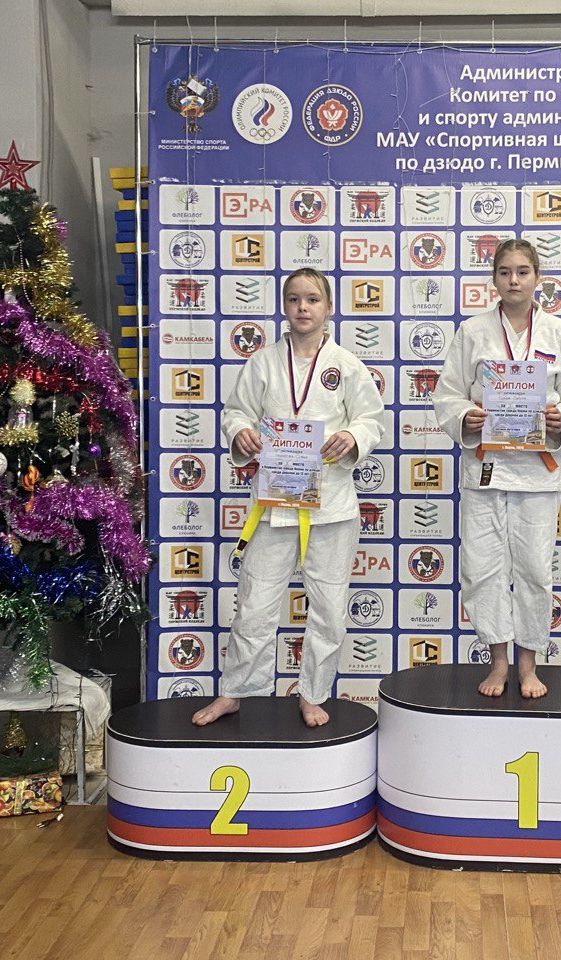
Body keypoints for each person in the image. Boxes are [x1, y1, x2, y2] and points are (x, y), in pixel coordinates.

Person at [192, 269, 385, 728]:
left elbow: (372, 419)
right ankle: (235, 692)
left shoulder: (346, 365)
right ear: (284, 306)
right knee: (254, 604)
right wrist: (240, 431)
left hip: (330, 504)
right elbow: (236, 411)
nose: (303, 307)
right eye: (295, 299)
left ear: (328, 307)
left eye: (313, 299)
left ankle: (313, 694)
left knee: (329, 608)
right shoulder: (262, 362)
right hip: (275, 503)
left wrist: (352, 437)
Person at [433, 239, 561, 698]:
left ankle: (528, 663)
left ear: (538, 278)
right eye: (505, 272)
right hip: (485, 466)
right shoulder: (473, 331)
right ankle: (498, 661)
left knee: (535, 570)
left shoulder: (559, 334)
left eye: (523, 272)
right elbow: (448, 392)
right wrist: (466, 417)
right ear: (494, 279)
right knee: (481, 568)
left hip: (537, 471)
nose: (514, 280)